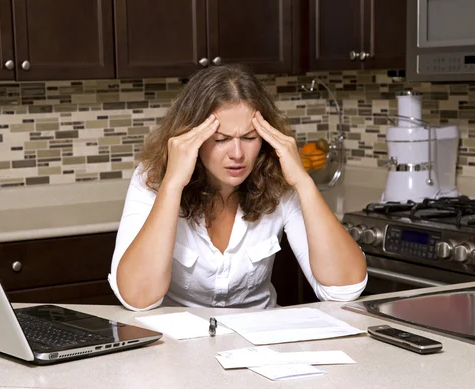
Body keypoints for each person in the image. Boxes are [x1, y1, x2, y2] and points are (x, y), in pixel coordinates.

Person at [108, 64, 367, 311]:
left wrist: (303, 182)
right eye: (220, 139)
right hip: (178, 349)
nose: (237, 154)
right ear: (191, 137)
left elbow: (343, 289)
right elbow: (137, 298)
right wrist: (173, 185)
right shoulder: (152, 178)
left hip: (261, 342)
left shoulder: (279, 179)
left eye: (249, 138)